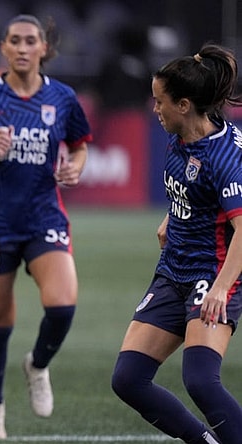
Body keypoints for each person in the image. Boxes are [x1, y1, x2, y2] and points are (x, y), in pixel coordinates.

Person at [0, 14, 91, 440]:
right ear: (4, 48)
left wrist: (75, 167)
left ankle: (38, 365)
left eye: (31, 40)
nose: (23, 47)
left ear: (43, 48)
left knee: (62, 305)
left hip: (44, 216)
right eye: (15, 40)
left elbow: (79, 146)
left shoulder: (63, 98)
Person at [110, 44, 242, 444]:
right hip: (173, 269)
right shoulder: (180, 133)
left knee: (200, 380)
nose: (155, 109)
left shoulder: (225, 157)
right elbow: (190, 184)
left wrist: (221, 287)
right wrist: (174, 214)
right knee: (128, 379)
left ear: (184, 105)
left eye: (160, 101)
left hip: (213, 273)